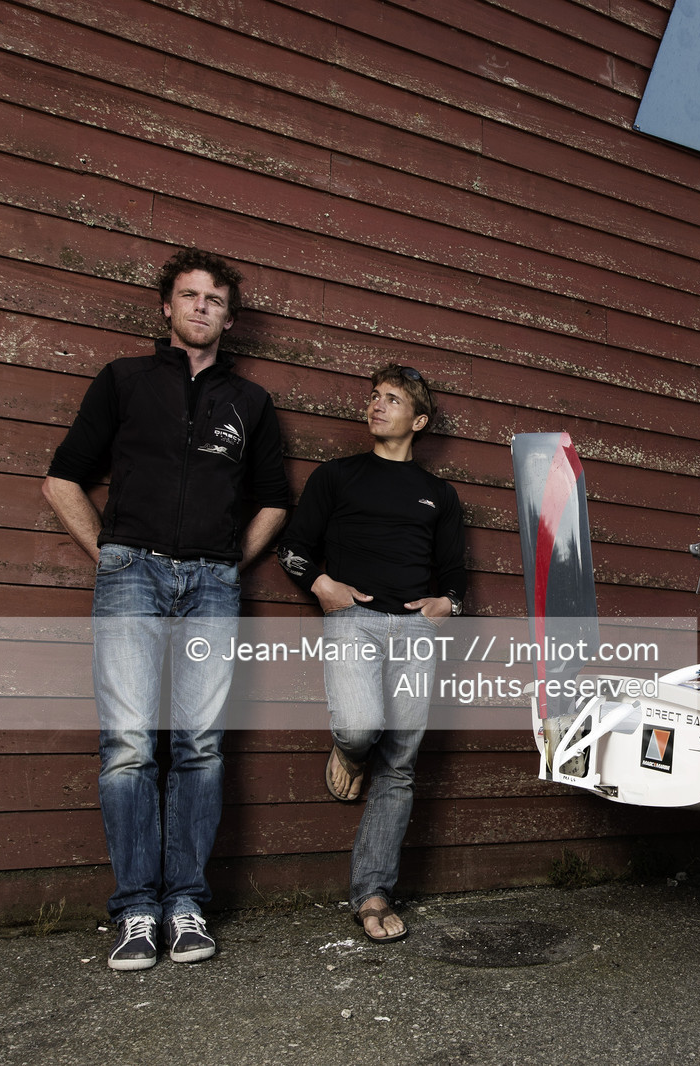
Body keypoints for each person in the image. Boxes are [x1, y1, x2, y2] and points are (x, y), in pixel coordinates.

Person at [42, 248, 290, 970]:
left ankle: (185, 906)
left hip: (212, 585)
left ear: (230, 317)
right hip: (131, 576)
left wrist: (224, 562)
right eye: (190, 295)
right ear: (167, 307)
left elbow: (274, 499)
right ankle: (135, 913)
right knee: (127, 746)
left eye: (215, 299)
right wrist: (112, 554)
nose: (202, 306)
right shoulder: (123, 381)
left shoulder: (252, 404)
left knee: (200, 747)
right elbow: (62, 480)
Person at [275, 364, 466, 943]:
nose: (376, 406)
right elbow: (295, 550)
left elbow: (456, 577)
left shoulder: (440, 495)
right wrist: (322, 587)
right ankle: (349, 753)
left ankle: (373, 892)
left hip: (415, 631)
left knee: (401, 766)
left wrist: (447, 606)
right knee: (360, 728)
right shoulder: (336, 477)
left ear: (419, 419)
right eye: (374, 397)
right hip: (352, 621)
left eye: (392, 399)